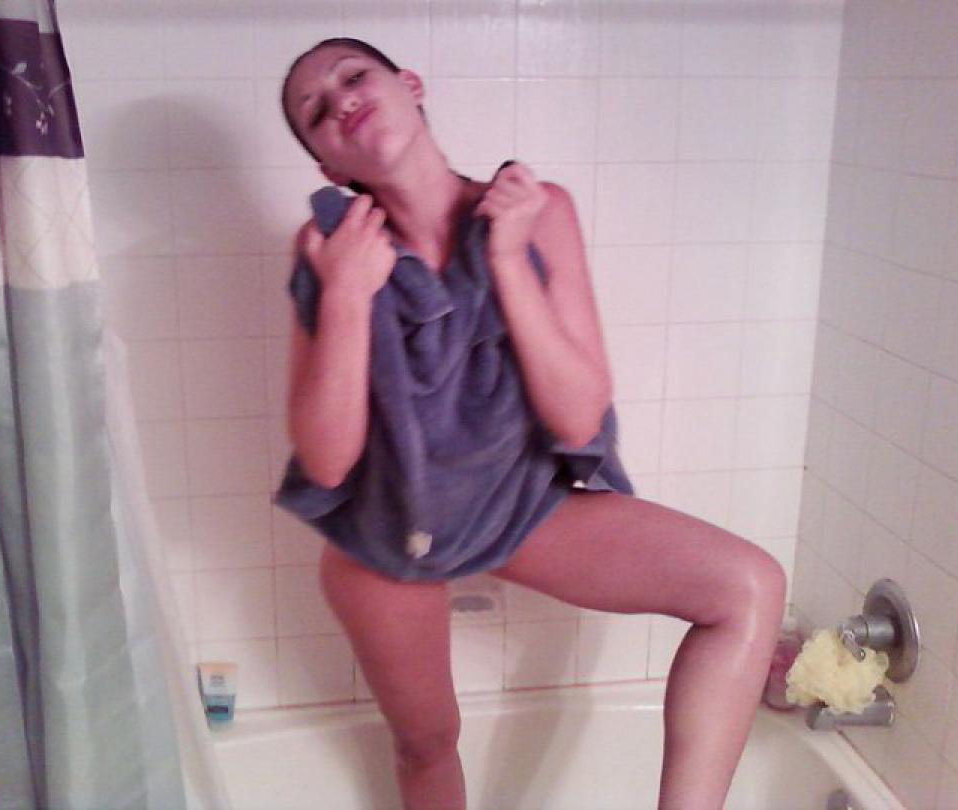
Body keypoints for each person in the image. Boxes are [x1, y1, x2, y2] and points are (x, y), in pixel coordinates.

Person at [275, 36, 787, 810]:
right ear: (327, 167)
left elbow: (577, 415)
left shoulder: (537, 211)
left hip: (518, 506)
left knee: (747, 586)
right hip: (385, 528)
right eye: (316, 110)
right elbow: (326, 462)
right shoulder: (326, 248)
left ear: (411, 84)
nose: (340, 99)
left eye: (354, 76)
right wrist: (347, 294)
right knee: (426, 743)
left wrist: (508, 259)